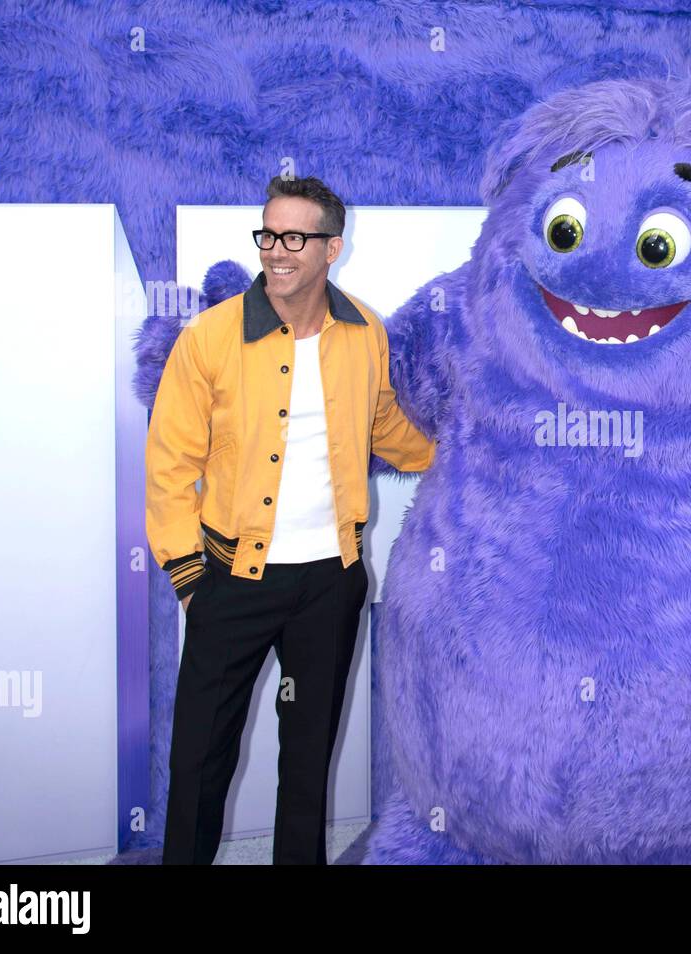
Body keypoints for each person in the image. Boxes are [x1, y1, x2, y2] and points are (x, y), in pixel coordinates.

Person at [145, 175, 435, 864]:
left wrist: (460, 454)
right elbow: (168, 464)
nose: (276, 252)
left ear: (333, 247)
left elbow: (388, 427)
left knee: (307, 766)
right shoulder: (210, 339)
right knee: (197, 765)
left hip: (329, 587)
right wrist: (192, 580)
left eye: (294, 238)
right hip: (230, 582)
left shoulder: (363, 332)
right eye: (268, 235)